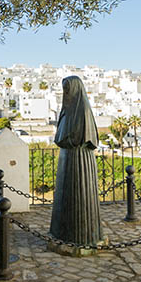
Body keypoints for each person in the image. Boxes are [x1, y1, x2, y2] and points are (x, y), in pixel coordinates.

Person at [49, 75, 102, 246]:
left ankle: (81, 236)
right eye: (64, 89)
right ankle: (62, 232)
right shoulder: (67, 110)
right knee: (65, 200)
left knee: (80, 199)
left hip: (80, 162)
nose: (66, 93)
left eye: (68, 89)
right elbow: (61, 136)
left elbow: (83, 138)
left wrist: (68, 141)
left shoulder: (83, 111)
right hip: (67, 161)